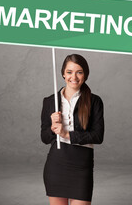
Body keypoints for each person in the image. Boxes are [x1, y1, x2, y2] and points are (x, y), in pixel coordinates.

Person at [41, 54, 105, 205]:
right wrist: (52, 127)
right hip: (56, 165)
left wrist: (66, 134)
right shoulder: (50, 101)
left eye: (79, 72)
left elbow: (98, 136)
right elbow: (44, 138)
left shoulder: (94, 101)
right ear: (63, 73)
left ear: (85, 75)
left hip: (82, 166)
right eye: (69, 72)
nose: (73, 77)